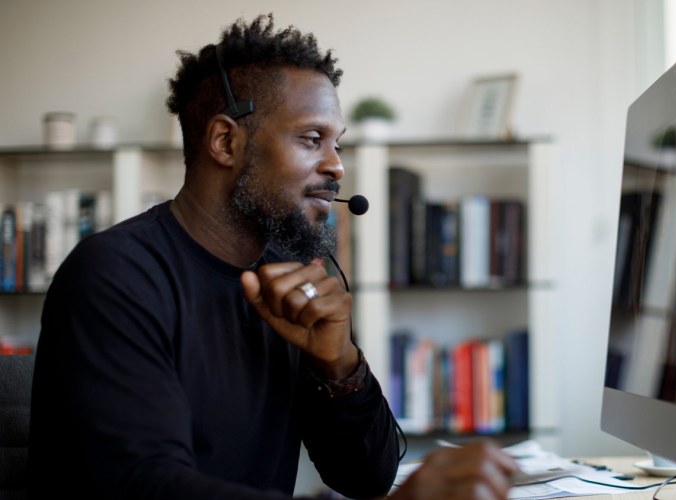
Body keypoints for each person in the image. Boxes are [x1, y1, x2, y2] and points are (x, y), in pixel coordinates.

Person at [27, 13, 518, 500]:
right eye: (311, 139)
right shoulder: (115, 275)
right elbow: (147, 486)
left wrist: (339, 365)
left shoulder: (286, 277)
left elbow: (367, 477)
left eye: (337, 143)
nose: (336, 166)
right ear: (225, 141)